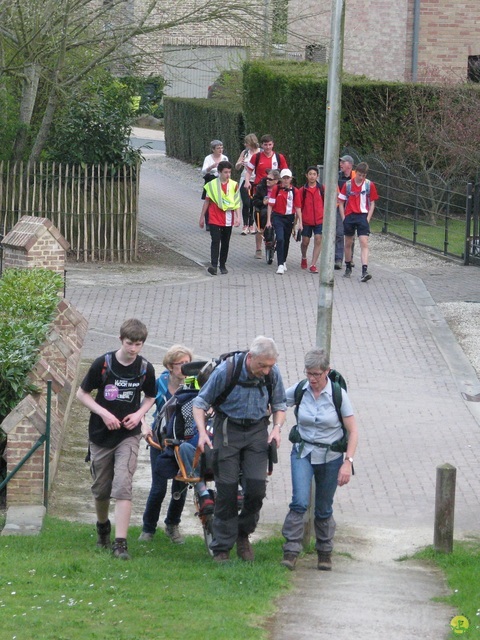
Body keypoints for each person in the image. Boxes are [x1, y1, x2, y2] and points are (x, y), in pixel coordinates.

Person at [192, 336, 287, 563]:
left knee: (256, 489)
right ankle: (222, 547)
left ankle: (242, 535)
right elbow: (199, 403)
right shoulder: (227, 371)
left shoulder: (273, 374)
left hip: (257, 432)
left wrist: (277, 428)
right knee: (226, 489)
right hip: (228, 431)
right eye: (262, 365)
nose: (266, 371)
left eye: (270, 366)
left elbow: (280, 404)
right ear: (250, 357)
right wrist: (203, 433)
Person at [76, 318, 156, 560]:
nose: (133, 349)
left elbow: (150, 396)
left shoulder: (144, 368)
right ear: (121, 340)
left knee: (123, 485)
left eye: (138, 344)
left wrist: (139, 415)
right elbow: (82, 394)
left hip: (128, 436)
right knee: (101, 489)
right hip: (101, 434)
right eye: (130, 343)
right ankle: (103, 527)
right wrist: (103, 412)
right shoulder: (103, 363)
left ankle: (120, 544)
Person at [281, 348, 358, 572]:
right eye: (309, 373)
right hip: (302, 452)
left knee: (323, 507)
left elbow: (353, 431)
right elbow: (277, 403)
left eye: (317, 374)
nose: (312, 379)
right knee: (300, 502)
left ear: (327, 371)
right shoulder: (299, 390)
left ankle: (324, 552)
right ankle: (291, 551)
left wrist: (348, 461)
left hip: (331, 457)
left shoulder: (338, 395)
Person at [139, 345, 194, 544]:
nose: (186, 368)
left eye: (189, 363)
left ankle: (172, 525)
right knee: (158, 487)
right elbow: (143, 406)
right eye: (182, 364)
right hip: (160, 442)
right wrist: (144, 426)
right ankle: (148, 528)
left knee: (180, 487)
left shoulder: (193, 384)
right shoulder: (159, 382)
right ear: (170, 366)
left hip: (183, 441)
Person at [338, 161, 379, 282]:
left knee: (363, 242)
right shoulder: (348, 184)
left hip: (362, 216)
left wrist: (367, 218)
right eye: (359, 174)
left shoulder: (369, 185)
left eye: (363, 175)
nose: (361, 177)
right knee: (348, 243)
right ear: (356, 173)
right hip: (350, 216)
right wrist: (344, 217)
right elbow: (341, 202)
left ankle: (364, 270)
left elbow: (372, 203)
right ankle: (348, 266)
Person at [199, 160, 241, 275]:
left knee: (225, 242)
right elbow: (207, 202)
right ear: (219, 172)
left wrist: (238, 217)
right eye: (225, 172)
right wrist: (202, 217)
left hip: (228, 217)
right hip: (214, 217)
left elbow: (236, 202)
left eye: (229, 172)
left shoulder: (233, 185)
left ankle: (223, 264)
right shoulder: (212, 185)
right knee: (215, 240)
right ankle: (213, 265)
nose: (228, 175)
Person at [266, 168, 302, 275]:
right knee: (280, 239)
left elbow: (298, 207)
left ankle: (284, 260)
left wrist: (300, 222)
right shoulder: (276, 189)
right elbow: (270, 205)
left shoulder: (295, 191)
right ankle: (280, 264)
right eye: (284, 178)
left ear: (291, 179)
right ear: (281, 179)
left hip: (289, 217)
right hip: (278, 217)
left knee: (286, 240)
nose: (286, 180)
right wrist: (268, 220)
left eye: (288, 178)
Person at [299, 166, 324, 274]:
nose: (312, 176)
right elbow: (298, 206)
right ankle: (304, 256)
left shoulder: (322, 189)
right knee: (305, 242)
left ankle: (313, 264)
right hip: (306, 220)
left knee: (318, 239)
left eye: (314, 174)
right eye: (310, 174)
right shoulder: (302, 190)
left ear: (317, 176)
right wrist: (298, 221)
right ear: (307, 175)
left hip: (319, 220)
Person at [251, 169, 280, 259]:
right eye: (267, 178)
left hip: (276, 210)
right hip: (262, 210)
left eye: (270, 179)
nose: (267, 180)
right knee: (260, 228)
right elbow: (254, 201)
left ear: (276, 181)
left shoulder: (280, 189)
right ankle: (258, 249)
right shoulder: (260, 187)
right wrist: (262, 202)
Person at [235, 133, 260, 235]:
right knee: (246, 203)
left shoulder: (260, 153)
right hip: (245, 179)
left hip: (256, 180)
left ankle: (251, 224)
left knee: (254, 203)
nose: (245, 145)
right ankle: (245, 225)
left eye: (247, 143)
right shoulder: (245, 152)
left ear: (251, 142)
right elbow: (236, 166)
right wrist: (240, 164)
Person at [201, 140, 228, 229]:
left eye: (221, 148)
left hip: (221, 180)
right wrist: (211, 167)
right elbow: (203, 171)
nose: (220, 150)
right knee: (209, 201)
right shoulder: (208, 158)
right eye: (218, 148)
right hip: (211, 180)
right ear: (213, 149)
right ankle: (208, 222)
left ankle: (219, 220)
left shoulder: (224, 158)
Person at [336, 155, 356, 270]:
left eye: (343, 162)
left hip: (352, 208)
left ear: (349, 164)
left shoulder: (356, 177)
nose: (341, 164)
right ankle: (338, 259)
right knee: (339, 233)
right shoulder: (337, 176)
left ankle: (350, 258)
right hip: (339, 207)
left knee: (351, 234)